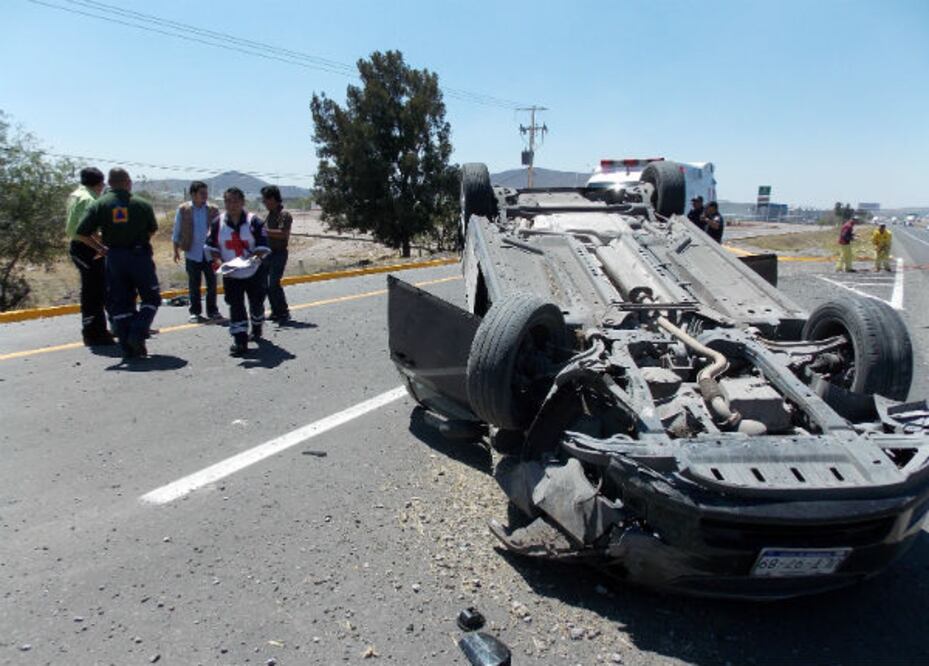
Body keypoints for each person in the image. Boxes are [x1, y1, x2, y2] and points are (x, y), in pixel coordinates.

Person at [74, 168, 160, 359]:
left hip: (114, 258)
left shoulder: (100, 204)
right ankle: (138, 332)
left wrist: (101, 247)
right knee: (151, 298)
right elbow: (152, 230)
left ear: (110, 183)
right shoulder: (141, 204)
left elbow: (81, 232)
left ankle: (127, 346)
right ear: (128, 182)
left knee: (121, 301)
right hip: (139, 257)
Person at [206, 187, 271, 356]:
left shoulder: (254, 221)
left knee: (256, 304)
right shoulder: (217, 222)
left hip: (254, 271)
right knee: (235, 306)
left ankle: (256, 327)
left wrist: (252, 260)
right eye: (228, 201)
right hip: (231, 273)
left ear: (243, 202)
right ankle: (240, 340)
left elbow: (263, 246)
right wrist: (219, 262)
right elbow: (212, 247)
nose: (232, 204)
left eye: (235, 201)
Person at [65, 167, 114, 346]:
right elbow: (83, 231)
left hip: (81, 247)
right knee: (94, 292)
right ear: (100, 183)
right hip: (85, 249)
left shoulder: (76, 194)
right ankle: (94, 333)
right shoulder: (89, 199)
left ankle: (96, 330)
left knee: (93, 290)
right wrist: (101, 247)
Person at [173, 181, 222, 322]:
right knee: (194, 285)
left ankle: (213, 311)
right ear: (193, 194)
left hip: (210, 254)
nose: (205, 196)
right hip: (192, 253)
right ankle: (195, 312)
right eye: (202, 193)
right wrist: (175, 250)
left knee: (212, 284)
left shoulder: (213, 209)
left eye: (206, 193)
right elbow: (177, 231)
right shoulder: (183, 209)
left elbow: (220, 230)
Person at [260, 185, 293, 323]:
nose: (264, 203)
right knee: (266, 285)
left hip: (279, 254)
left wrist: (265, 232)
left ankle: (283, 312)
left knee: (273, 283)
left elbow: (283, 234)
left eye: (265, 200)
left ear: (273, 199)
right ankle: (275, 311)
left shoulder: (284, 215)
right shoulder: (269, 215)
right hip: (267, 254)